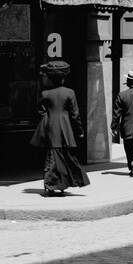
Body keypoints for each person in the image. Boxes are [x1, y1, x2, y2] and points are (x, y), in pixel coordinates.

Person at [32, 59, 90, 197]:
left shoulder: (45, 94)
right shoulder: (69, 92)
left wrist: (47, 116)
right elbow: (75, 114)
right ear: (62, 78)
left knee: (52, 155)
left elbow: (39, 110)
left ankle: (52, 184)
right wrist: (80, 131)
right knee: (66, 155)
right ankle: (61, 183)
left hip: (50, 127)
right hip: (66, 127)